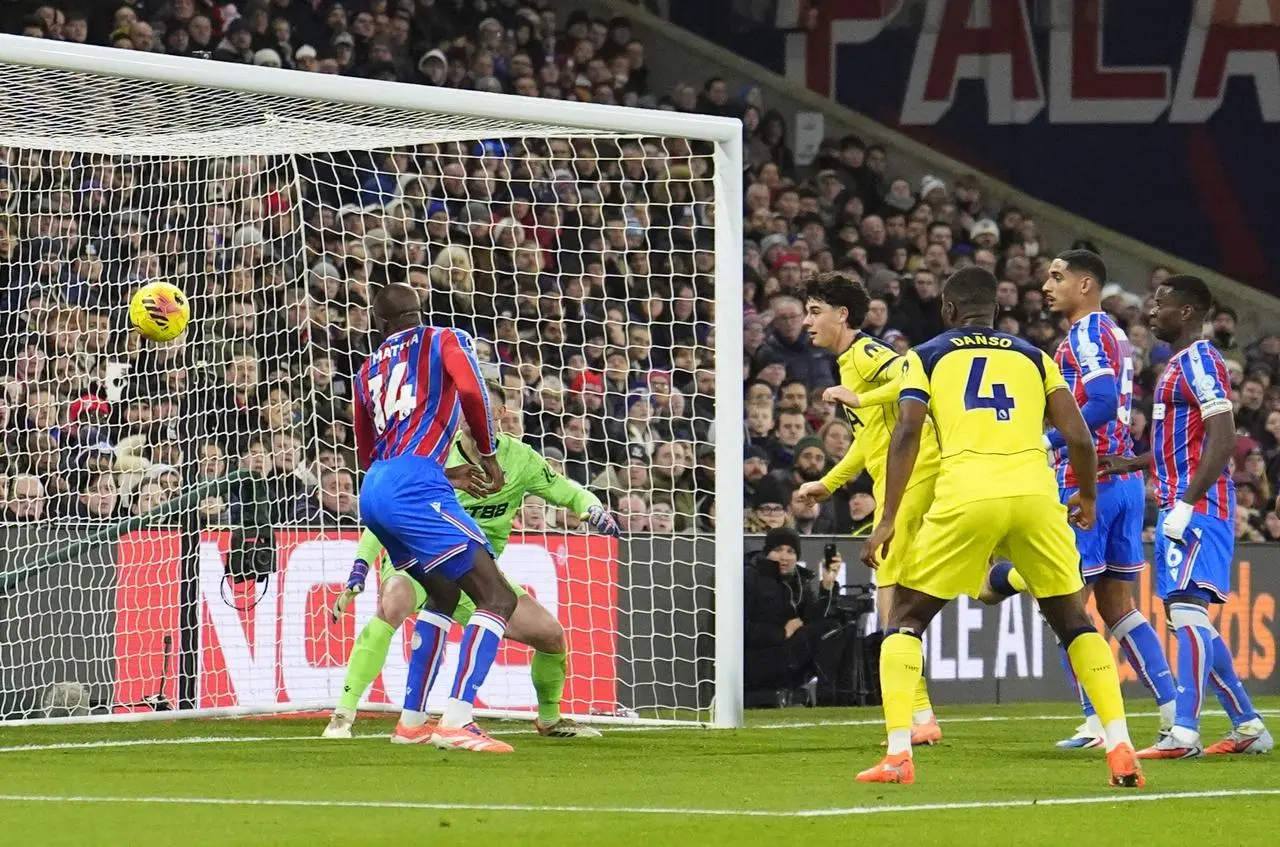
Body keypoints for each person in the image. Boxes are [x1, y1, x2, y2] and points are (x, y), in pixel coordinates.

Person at [855, 267, 1143, 788]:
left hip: (968, 493)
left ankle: (899, 754)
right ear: (994, 311)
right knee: (1075, 621)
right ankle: (1121, 745)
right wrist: (1087, 496)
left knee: (905, 619)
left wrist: (891, 517)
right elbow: (1079, 435)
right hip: (1035, 495)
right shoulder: (1034, 356)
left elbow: (907, 433)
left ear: (948, 310)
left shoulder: (926, 355)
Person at [326, 379, 621, 742]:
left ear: (499, 414)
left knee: (551, 636)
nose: (470, 416)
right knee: (395, 600)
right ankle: (344, 714)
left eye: (480, 408)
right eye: (465, 409)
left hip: (475, 573)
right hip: (420, 560)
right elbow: (390, 512)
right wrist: (360, 565)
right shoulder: (433, 456)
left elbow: (565, 489)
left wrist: (590, 508)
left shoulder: (521, 459)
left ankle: (549, 718)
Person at [980, 250, 1177, 749]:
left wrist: (1049, 442)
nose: (1046, 284)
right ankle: (1175, 714)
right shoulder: (1112, 331)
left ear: (1085, 285)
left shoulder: (1087, 334)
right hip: (1124, 484)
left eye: (1057, 276)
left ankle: (1096, 721)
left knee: (1063, 603)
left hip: (1088, 481)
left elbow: (1105, 400)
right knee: (1119, 607)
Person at [1102, 274, 1272, 758]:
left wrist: (1183, 503)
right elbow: (1184, 444)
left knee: (1185, 613)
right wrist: (1135, 463)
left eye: (1161, 304)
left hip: (1198, 507)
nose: (1151, 312)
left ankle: (1184, 732)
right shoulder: (1178, 365)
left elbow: (1222, 438)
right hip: (1192, 502)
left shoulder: (1200, 361)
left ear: (1189, 312)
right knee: (1190, 618)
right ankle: (1248, 725)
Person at [349, 284, 516, 754]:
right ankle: (458, 720)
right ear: (417, 312)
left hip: (377, 488)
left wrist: (435, 471)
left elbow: (367, 449)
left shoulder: (366, 371)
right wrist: (487, 453)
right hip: (416, 485)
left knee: (442, 593)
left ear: (378, 324)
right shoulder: (443, 337)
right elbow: (471, 389)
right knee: (497, 597)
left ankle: (411, 721)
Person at [794, 271, 943, 746]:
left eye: (815, 311)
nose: (806, 321)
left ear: (842, 315)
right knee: (965, 588)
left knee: (891, 603)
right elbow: (868, 439)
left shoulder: (865, 352)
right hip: (904, 481)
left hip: (916, 477)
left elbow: (911, 379)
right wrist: (828, 482)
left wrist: (861, 396)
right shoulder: (847, 362)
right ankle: (921, 716)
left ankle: (919, 720)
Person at [743, 526, 856, 706]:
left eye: (790, 551)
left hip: (788, 655)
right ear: (766, 553)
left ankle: (845, 697)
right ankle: (828, 699)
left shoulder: (799, 582)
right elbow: (741, 628)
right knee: (828, 629)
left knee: (843, 625)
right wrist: (782, 633)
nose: (784, 557)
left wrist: (827, 586)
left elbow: (813, 620)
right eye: (777, 550)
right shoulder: (750, 577)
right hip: (757, 660)